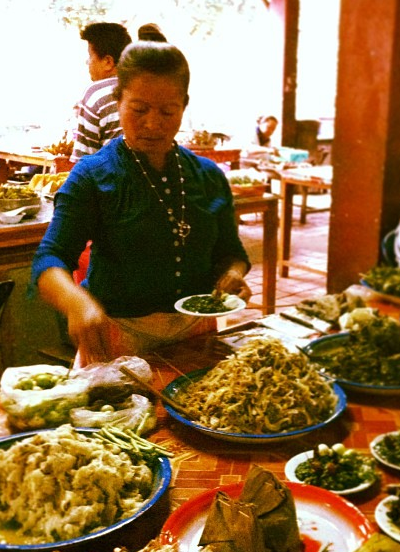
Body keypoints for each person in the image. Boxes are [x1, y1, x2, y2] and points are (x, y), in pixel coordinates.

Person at [32, 42, 252, 367]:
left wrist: (233, 274)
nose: (153, 123)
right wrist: (76, 303)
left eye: (167, 111)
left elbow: (232, 253)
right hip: (118, 340)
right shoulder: (93, 176)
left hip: (197, 339)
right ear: (118, 100)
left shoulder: (207, 175)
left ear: (184, 106)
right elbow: (49, 258)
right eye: (139, 109)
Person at [70, 22, 132, 163]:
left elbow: (83, 160)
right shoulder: (147, 87)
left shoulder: (95, 94)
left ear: (108, 62)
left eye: (90, 56)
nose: (88, 62)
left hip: (109, 182)